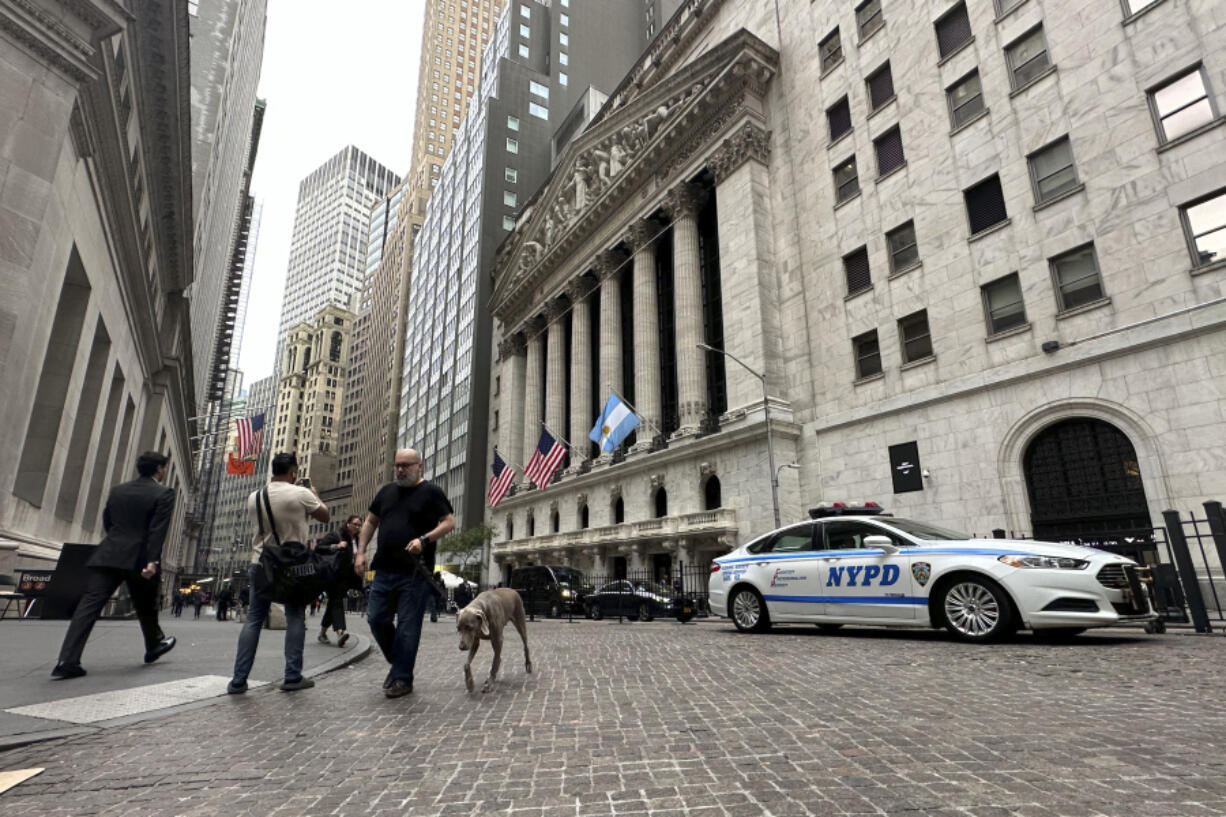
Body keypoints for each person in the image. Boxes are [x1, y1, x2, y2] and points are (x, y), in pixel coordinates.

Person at [51, 451, 177, 679]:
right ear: (159, 469)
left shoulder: (118, 490)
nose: (165, 471)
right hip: (139, 558)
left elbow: (108, 520)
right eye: (165, 468)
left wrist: (118, 543)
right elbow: (157, 530)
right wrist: (152, 560)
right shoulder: (164, 493)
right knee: (147, 605)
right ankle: (154, 645)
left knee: (88, 607)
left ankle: (66, 660)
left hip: (109, 554)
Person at [354, 448, 455, 698]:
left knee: (408, 628)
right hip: (384, 569)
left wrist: (424, 539)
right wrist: (361, 552)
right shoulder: (386, 491)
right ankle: (399, 665)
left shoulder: (431, 491)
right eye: (397, 465)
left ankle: (402, 678)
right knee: (376, 619)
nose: (400, 469)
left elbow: (449, 522)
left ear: (420, 466)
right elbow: (370, 522)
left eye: (406, 465)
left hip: (415, 574)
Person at [226, 452, 330, 694]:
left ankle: (238, 680)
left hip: (261, 562)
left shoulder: (255, 497)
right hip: (292, 566)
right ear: (293, 471)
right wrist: (313, 494)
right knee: (295, 616)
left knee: (254, 619)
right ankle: (292, 676)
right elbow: (324, 516)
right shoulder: (301, 494)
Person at [317, 515, 361, 647]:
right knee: (337, 601)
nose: (357, 527)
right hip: (332, 574)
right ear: (348, 524)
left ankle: (322, 633)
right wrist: (336, 546)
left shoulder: (357, 540)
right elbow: (318, 548)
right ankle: (340, 632)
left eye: (359, 525)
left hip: (346, 577)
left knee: (333, 604)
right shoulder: (337, 535)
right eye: (355, 524)